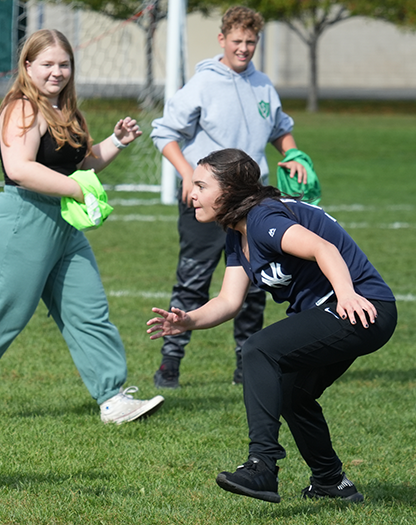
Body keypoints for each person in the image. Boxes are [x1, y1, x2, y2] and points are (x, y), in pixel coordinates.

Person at [0, 29, 164, 424]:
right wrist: (77, 191)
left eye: (64, 64)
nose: (57, 72)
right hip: (22, 219)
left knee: (88, 309)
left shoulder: (66, 111)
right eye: (48, 64)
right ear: (27, 66)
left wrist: (116, 142)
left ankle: (113, 399)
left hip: (64, 223)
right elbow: (21, 169)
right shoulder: (21, 108)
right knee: (9, 310)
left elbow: (80, 165)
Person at [147, 149, 396, 503]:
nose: (192, 193)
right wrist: (188, 321)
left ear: (230, 189)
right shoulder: (237, 232)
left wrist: (347, 294)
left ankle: (262, 465)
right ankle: (330, 481)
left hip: (362, 307)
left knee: (259, 348)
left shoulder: (262, 218)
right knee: (292, 393)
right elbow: (228, 302)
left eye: (202, 185)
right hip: (343, 309)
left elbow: (323, 248)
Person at [150, 5, 308, 389]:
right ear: (222, 39)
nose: (244, 48)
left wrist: (293, 154)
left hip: (252, 205)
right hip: (203, 201)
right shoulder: (203, 84)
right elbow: (164, 133)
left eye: (250, 42)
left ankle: (246, 363)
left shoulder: (263, 86)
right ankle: (170, 363)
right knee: (193, 281)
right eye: (237, 41)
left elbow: (280, 130)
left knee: (255, 286)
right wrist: (188, 175)